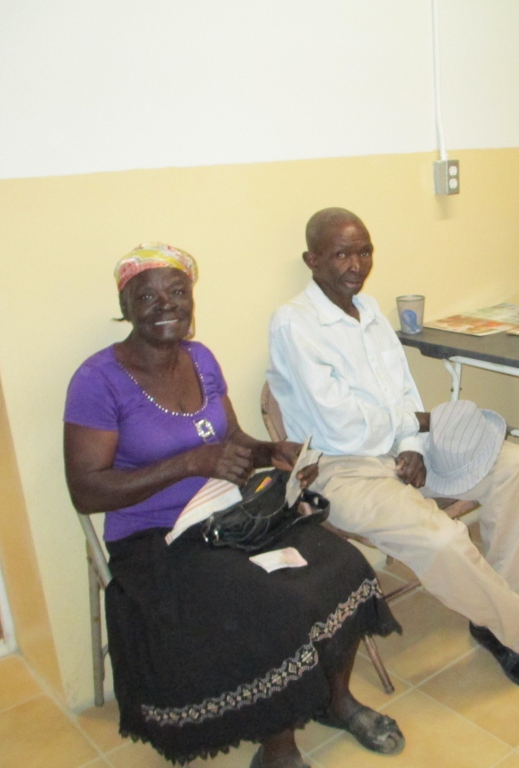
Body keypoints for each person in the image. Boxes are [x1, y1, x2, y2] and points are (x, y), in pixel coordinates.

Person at [63, 243, 402, 768]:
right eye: (147, 296)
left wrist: (272, 452)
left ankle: (335, 700)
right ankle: (278, 748)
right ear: (125, 306)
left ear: (191, 298)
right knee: (268, 605)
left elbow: (233, 439)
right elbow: (85, 490)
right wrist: (189, 463)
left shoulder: (200, 358)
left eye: (178, 292)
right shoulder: (97, 380)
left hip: (229, 514)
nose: (166, 305)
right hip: (155, 539)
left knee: (343, 564)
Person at [267, 208, 519, 692]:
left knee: (518, 466)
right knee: (443, 539)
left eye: (364, 251)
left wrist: (414, 443)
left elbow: (404, 391)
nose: (356, 264)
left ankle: (494, 624)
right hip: (339, 469)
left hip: (400, 450)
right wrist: (416, 426)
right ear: (312, 260)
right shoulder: (293, 324)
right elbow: (341, 426)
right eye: (342, 254)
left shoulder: (369, 311)